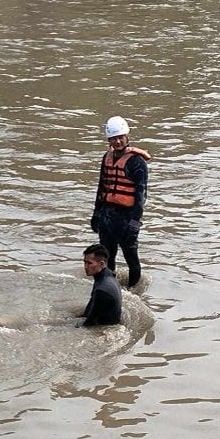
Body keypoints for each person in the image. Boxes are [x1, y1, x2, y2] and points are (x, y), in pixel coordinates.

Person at [90, 115, 151, 288]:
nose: (117, 142)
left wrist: (134, 223)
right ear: (109, 140)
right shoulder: (106, 158)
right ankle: (110, 288)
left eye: (120, 137)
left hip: (126, 217)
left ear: (126, 137)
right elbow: (101, 187)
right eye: (113, 138)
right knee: (107, 256)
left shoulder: (137, 162)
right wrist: (96, 214)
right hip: (107, 215)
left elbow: (141, 195)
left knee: (131, 257)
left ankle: (132, 292)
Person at [78, 243, 122, 327]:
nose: (86, 267)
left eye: (89, 263)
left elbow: (89, 323)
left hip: (106, 328)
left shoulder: (102, 290)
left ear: (101, 264)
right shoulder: (109, 275)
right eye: (85, 263)